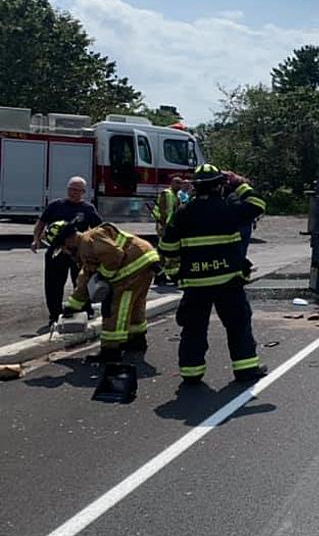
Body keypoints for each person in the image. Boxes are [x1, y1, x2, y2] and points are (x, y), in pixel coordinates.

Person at [159, 164, 268, 384]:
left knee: (193, 328)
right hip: (228, 281)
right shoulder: (230, 208)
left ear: (196, 188)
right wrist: (239, 183)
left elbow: (167, 247)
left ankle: (191, 373)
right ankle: (245, 369)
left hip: (195, 284)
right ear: (220, 186)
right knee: (238, 325)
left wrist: (175, 272)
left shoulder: (182, 213)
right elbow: (258, 204)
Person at [44, 218, 159, 361]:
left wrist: (103, 276)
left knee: (114, 309)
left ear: (67, 240)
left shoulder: (88, 241)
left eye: (61, 247)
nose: (64, 252)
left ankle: (110, 351)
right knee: (136, 305)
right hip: (145, 264)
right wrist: (73, 306)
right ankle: (136, 341)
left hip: (131, 270)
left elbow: (114, 257)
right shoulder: (85, 244)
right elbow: (86, 277)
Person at [32, 177, 103, 329]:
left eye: (77, 190)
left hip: (79, 253)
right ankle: (55, 315)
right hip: (56, 252)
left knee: (82, 282)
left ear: (83, 192)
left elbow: (99, 230)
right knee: (53, 285)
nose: (74, 192)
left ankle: (84, 310)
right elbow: (41, 223)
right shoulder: (56, 205)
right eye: (71, 189)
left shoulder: (88, 209)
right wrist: (35, 239)